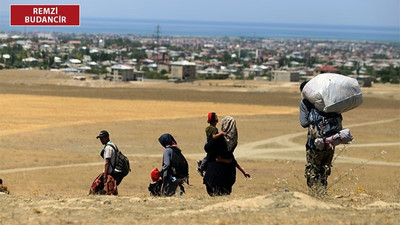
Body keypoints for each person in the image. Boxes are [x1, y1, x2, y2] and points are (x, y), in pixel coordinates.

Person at [299, 81, 342, 194]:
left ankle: (317, 196)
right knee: (324, 171)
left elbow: (303, 123)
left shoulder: (305, 102)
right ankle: (323, 193)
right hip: (331, 143)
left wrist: (314, 120)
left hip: (314, 144)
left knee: (313, 171)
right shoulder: (330, 99)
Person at [197, 112, 227, 176]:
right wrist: (221, 133)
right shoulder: (214, 129)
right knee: (210, 156)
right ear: (215, 121)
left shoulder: (208, 128)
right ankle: (201, 166)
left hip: (207, 143)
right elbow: (214, 137)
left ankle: (201, 162)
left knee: (209, 155)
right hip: (211, 145)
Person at [89, 130, 118, 195]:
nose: (101, 140)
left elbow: (107, 163)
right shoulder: (113, 145)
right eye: (100, 138)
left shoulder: (108, 148)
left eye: (102, 137)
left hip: (108, 173)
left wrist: (104, 177)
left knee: (95, 190)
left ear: (107, 137)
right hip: (112, 173)